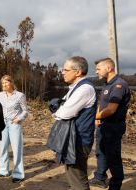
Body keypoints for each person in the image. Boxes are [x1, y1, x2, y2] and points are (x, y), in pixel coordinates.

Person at [52, 56, 97, 190]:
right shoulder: (75, 88)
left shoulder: (85, 89)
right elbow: (58, 106)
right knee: (74, 178)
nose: (62, 72)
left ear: (77, 72)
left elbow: (63, 113)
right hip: (72, 139)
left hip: (78, 140)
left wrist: (59, 112)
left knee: (78, 180)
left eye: (66, 70)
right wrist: (60, 111)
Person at [88, 58, 131, 190]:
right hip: (105, 124)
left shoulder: (119, 85)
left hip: (113, 125)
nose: (96, 72)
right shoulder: (107, 84)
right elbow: (104, 104)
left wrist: (92, 116)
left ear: (109, 68)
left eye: (98, 69)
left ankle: (115, 185)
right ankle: (100, 177)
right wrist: (98, 116)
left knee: (113, 156)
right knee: (101, 151)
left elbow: (111, 109)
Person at [0, 75, 28, 183]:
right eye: (3, 83)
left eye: (6, 82)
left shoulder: (19, 95)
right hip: (3, 124)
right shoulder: (0, 95)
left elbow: (25, 111)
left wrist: (18, 119)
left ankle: (18, 174)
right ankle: (3, 170)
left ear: (11, 82)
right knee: (3, 148)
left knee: (16, 149)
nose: (4, 85)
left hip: (14, 123)